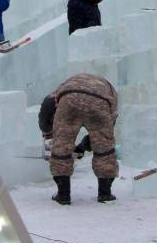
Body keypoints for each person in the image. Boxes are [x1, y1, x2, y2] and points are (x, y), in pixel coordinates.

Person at [38, 73, 119, 204]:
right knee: (105, 150)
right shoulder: (110, 91)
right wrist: (84, 147)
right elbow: (107, 131)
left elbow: (47, 104)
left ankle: (63, 195)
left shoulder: (67, 84)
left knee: (61, 148)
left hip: (69, 101)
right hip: (99, 102)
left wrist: (47, 131)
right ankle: (105, 194)